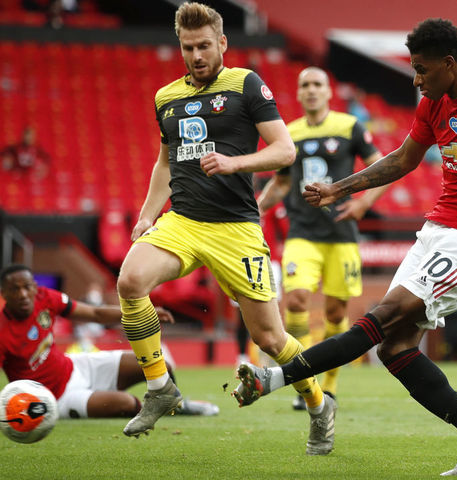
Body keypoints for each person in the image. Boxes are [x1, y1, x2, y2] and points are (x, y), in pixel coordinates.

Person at [233, 18, 457, 475]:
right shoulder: (433, 103)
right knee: (395, 347)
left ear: (449, 62)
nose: (416, 80)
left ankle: (272, 379)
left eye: (421, 69)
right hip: (437, 229)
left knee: (383, 316)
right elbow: (403, 159)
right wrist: (340, 189)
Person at [115, 2, 334, 455]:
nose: (196, 55)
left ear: (222, 44)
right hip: (184, 221)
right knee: (130, 280)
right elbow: (164, 162)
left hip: (235, 228)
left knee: (270, 338)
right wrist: (146, 214)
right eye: (188, 47)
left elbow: (285, 151)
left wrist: (236, 162)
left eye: (204, 46)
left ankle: (318, 404)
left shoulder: (246, 84)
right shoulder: (165, 97)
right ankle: (160, 387)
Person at [258, 67, 385, 409]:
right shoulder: (289, 132)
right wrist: (257, 209)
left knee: (335, 311)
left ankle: (329, 385)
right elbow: (283, 182)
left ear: (329, 92)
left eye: (317, 85)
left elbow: (382, 168)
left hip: (342, 234)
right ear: (298, 94)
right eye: (305, 85)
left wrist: (364, 203)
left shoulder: (349, 127)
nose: (311, 90)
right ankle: (306, 379)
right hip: (303, 233)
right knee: (297, 300)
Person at [0, 264, 218, 419]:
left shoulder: (44, 297)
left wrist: (138, 312)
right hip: (57, 397)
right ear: (4, 293)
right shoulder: (2, 331)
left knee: (159, 365)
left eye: (27, 286)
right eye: (15, 289)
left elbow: (95, 313)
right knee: (128, 404)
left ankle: (174, 407)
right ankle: (156, 412)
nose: (23, 294)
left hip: (77, 366)